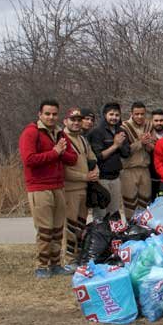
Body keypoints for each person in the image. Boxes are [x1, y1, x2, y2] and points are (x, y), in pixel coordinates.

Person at [19, 99, 78, 278]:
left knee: (58, 228)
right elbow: (29, 160)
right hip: (39, 187)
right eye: (47, 114)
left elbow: (73, 157)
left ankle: (55, 264)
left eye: (54, 114)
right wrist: (55, 153)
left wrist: (59, 153)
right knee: (45, 229)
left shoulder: (60, 133)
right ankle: (41, 266)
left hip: (58, 186)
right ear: (40, 114)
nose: (51, 117)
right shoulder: (31, 133)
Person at [62, 108, 98, 266]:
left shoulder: (82, 139)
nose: (76, 123)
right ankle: (69, 259)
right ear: (65, 121)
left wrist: (96, 171)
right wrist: (85, 176)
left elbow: (92, 158)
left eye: (78, 120)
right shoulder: (62, 139)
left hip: (84, 188)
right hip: (70, 189)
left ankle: (78, 255)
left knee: (81, 224)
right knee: (70, 225)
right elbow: (63, 169)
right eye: (72, 120)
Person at [89, 102, 131, 219]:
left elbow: (126, 154)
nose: (114, 118)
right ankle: (99, 235)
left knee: (114, 212)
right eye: (111, 114)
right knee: (101, 213)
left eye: (117, 115)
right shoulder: (97, 132)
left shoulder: (121, 131)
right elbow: (98, 157)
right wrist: (115, 145)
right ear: (104, 115)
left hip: (116, 177)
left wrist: (121, 144)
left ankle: (113, 236)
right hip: (101, 178)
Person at [120, 101, 154, 219]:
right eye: (137, 114)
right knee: (130, 202)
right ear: (131, 114)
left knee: (145, 200)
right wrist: (140, 143)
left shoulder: (149, 126)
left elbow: (153, 148)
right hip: (129, 169)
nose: (140, 117)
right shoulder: (123, 127)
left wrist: (149, 144)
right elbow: (124, 151)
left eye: (142, 114)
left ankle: (144, 229)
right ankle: (131, 227)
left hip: (144, 168)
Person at [148, 109, 163, 200]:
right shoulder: (147, 135)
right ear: (152, 121)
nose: (159, 123)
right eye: (156, 120)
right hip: (150, 178)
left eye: (161, 120)